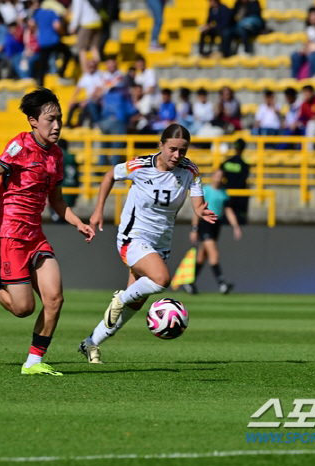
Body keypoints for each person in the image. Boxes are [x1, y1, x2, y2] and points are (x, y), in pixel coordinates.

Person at [0, 87, 94, 377]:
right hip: (7, 234)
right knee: (23, 308)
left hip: (34, 235)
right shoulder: (19, 146)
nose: (56, 125)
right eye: (50, 119)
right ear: (33, 121)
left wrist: (77, 221)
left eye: (59, 118)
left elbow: (57, 201)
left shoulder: (56, 155)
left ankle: (33, 362)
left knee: (55, 299)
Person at [77, 124, 218, 364]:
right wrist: (98, 210)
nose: (177, 155)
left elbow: (196, 204)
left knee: (136, 302)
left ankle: (91, 343)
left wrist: (201, 211)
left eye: (182, 151)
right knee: (161, 280)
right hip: (133, 237)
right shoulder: (139, 166)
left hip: (160, 244)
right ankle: (119, 298)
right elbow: (110, 175)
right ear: (161, 145)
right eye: (172, 149)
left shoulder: (190, 171)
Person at [183, 168, 241, 295]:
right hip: (205, 224)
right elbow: (198, 210)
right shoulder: (206, 190)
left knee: (202, 257)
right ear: (213, 176)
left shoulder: (223, 192)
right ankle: (222, 283)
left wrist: (235, 226)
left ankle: (189, 282)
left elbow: (228, 210)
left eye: (221, 176)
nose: (218, 178)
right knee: (214, 254)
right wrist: (194, 228)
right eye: (217, 175)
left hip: (216, 225)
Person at [220, 138, 250, 225]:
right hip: (239, 197)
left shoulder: (226, 162)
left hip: (227, 193)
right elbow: (243, 180)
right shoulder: (245, 164)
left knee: (226, 218)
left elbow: (220, 175)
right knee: (240, 220)